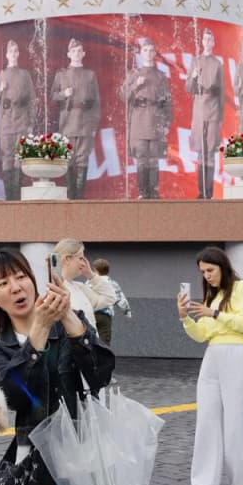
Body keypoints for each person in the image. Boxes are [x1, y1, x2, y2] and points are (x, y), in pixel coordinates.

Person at [0, 248, 115, 485]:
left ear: (34, 280)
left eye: (20, 277)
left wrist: (68, 318)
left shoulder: (72, 321)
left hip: (84, 451)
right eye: (2, 283)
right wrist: (38, 331)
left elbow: (100, 374)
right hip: (37, 462)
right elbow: (15, 397)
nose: (15, 287)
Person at [176, 246, 243, 485]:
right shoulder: (214, 296)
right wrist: (185, 318)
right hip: (212, 357)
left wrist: (214, 313)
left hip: (238, 356)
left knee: (238, 424)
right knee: (207, 424)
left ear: (222, 266)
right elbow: (203, 334)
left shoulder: (242, 288)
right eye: (202, 272)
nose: (207, 276)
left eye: (210, 270)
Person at [121, 36, 172, 199]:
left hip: (156, 118)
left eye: (151, 50)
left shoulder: (161, 76)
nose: (149, 53)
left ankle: (154, 193)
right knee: (142, 158)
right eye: (145, 50)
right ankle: (143, 193)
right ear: (141, 53)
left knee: (154, 159)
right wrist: (136, 85)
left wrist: (167, 122)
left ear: (155, 53)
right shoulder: (134, 74)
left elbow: (168, 101)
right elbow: (123, 95)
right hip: (139, 118)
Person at [51, 38, 100, 199]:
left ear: (84, 54)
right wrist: (64, 95)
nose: (76, 54)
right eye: (73, 51)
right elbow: (53, 96)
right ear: (68, 54)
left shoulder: (90, 75)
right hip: (68, 122)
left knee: (82, 159)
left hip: (85, 122)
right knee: (69, 159)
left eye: (79, 51)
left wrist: (93, 126)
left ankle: (80, 197)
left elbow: (96, 103)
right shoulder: (61, 74)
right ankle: (70, 196)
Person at [0, 39, 36, 201]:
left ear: (18, 53)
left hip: (21, 122)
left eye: (16, 51)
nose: (13, 54)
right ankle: (9, 197)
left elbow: (32, 100)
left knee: (19, 159)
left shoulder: (25, 75)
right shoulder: (2, 75)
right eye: (11, 51)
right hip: (6, 124)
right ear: (7, 54)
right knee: (7, 159)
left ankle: (17, 197)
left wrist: (30, 123)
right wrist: (0, 89)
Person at [185, 28, 224, 199]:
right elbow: (188, 88)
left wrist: (220, 118)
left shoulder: (217, 64)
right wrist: (193, 76)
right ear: (202, 41)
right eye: (205, 39)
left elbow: (222, 93)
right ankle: (201, 192)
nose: (207, 42)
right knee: (201, 151)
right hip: (199, 109)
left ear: (213, 43)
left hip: (213, 109)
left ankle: (209, 192)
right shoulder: (195, 61)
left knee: (210, 152)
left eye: (210, 39)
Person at [53, 238, 116, 325]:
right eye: (81, 258)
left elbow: (110, 298)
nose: (84, 264)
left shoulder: (80, 287)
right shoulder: (54, 290)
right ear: (67, 259)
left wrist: (91, 275)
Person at [90, 258, 133, 346]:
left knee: (90, 338)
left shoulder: (90, 282)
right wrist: (127, 313)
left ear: (96, 271)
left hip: (91, 314)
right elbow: (121, 299)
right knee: (104, 340)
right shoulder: (112, 283)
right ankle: (103, 357)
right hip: (105, 316)